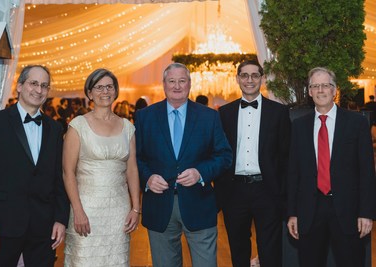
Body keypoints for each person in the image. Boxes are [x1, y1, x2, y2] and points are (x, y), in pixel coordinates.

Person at [135, 62, 232, 267]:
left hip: (199, 203)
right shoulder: (145, 117)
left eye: (182, 81)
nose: (177, 86)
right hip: (159, 205)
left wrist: (200, 173)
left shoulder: (209, 117)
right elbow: (136, 157)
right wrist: (148, 177)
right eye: (172, 81)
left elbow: (224, 156)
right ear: (163, 84)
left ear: (189, 84)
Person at [0, 65, 69, 266]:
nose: (39, 90)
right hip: (2, 225)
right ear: (19, 86)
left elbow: (58, 178)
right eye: (33, 83)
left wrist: (61, 219)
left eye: (44, 86)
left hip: (43, 228)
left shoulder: (54, 129)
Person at [287, 67, 376, 267]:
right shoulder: (299, 126)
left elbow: (367, 171)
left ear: (335, 90)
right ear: (309, 92)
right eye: (315, 86)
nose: (320, 90)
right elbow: (293, 172)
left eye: (325, 85)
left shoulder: (356, 123)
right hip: (310, 210)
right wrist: (292, 212)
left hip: (348, 210)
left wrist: (367, 212)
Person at [216, 59, 291, 267]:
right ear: (237, 79)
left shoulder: (278, 112)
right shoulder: (225, 113)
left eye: (255, 75)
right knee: (238, 249)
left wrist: (283, 192)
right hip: (234, 190)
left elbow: (285, 157)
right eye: (245, 75)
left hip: (267, 190)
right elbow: (219, 153)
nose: (250, 80)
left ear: (262, 79)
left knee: (270, 250)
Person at [62, 68, 140, 267]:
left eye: (109, 86)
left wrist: (136, 208)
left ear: (115, 91)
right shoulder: (77, 126)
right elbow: (68, 172)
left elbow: (132, 170)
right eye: (99, 87)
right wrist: (77, 210)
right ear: (89, 93)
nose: (105, 91)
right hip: (86, 209)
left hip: (118, 212)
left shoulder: (128, 127)